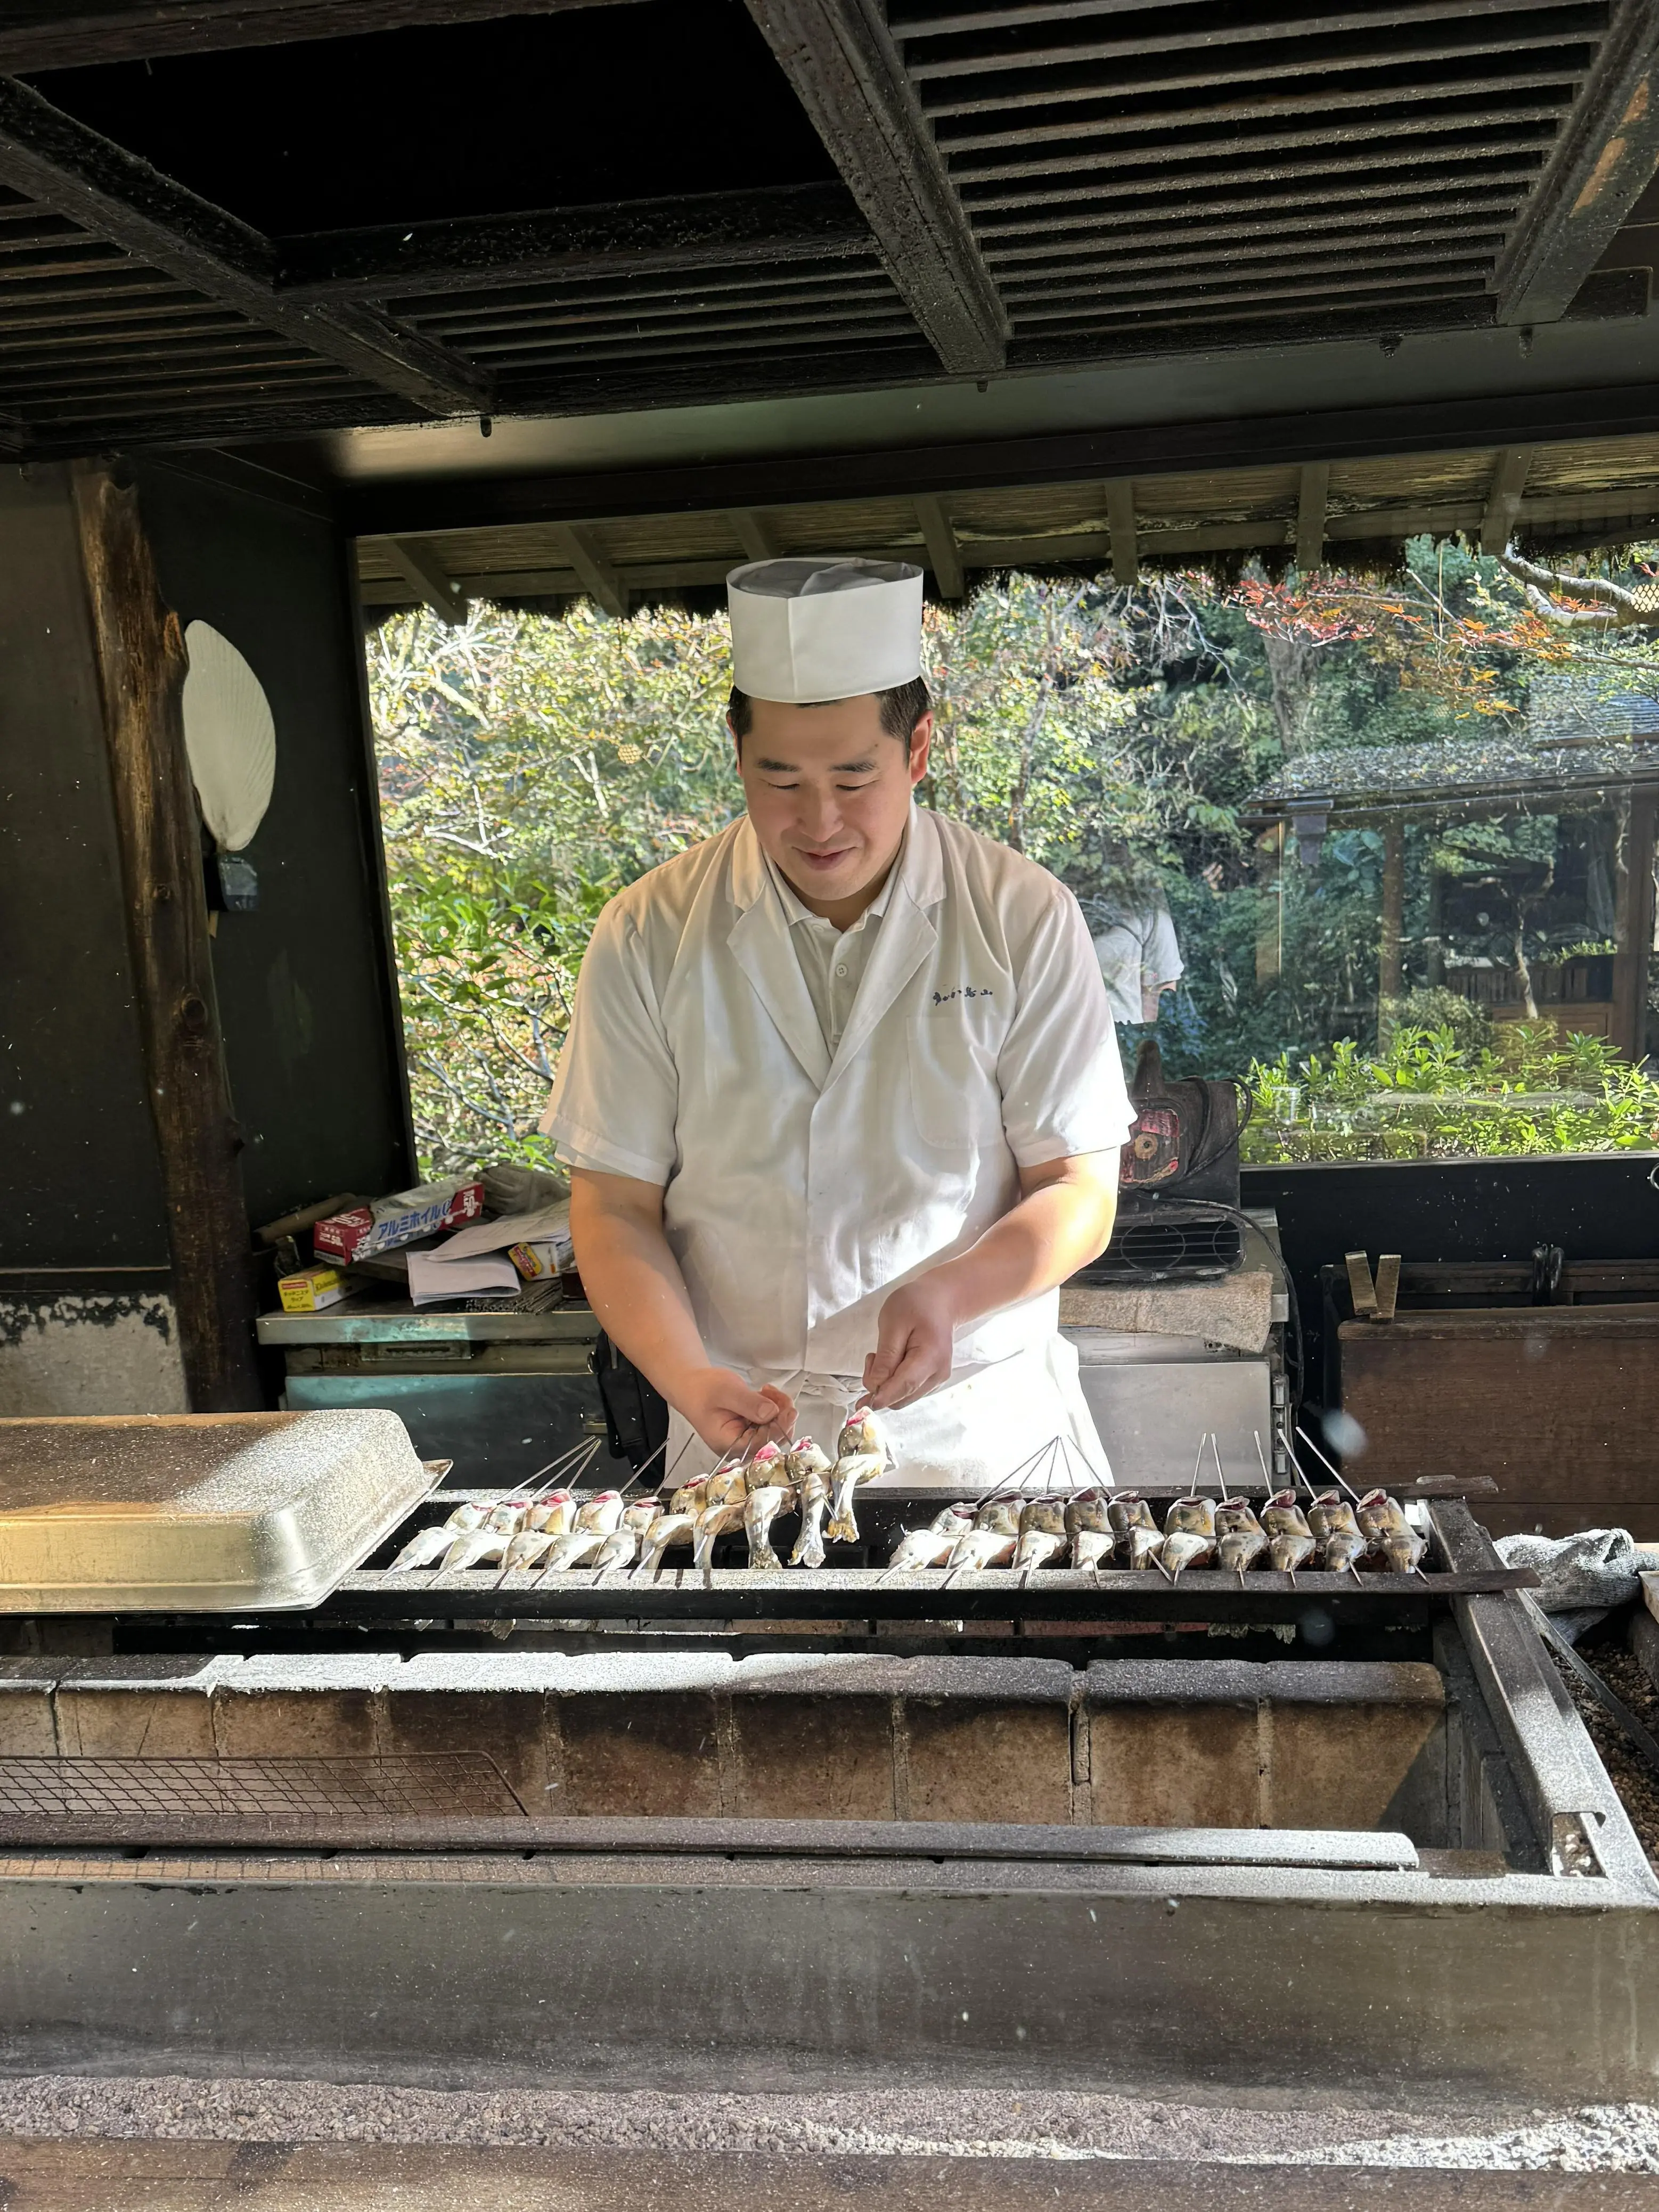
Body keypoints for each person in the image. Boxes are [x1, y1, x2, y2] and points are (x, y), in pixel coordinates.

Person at [540, 556, 1133, 1488]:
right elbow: (613, 1204)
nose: (819, 822)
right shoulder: (649, 931)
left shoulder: (1020, 916)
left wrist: (949, 1293)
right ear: (737, 754)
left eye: (854, 778)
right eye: (780, 781)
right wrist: (686, 1374)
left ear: (919, 750)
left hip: (971, 1431)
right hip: (741, 1427)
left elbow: (1078, 1188)